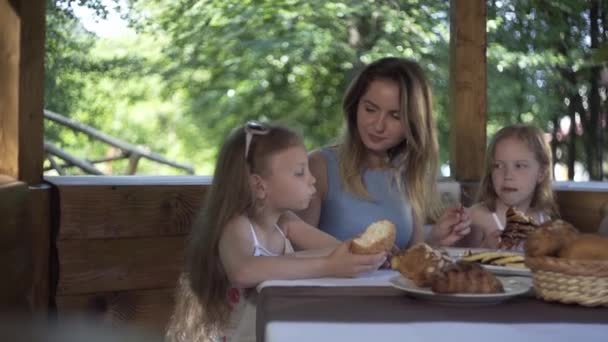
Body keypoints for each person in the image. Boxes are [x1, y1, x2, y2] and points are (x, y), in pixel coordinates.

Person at [165, 121, 387, 342]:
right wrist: (329, 265)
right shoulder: (237, 226)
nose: (312, 179)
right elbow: (243, 271)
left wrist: (364, 250)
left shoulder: (285, 222)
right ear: (260, 186)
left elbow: (334, 249)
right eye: (300, 172)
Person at [296, 57, 471, 249]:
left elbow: (408, 261)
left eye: (395, 116)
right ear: (354, 107)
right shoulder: (318, 166)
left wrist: (435, 240)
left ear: (413, 123)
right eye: (370, 109)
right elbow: (294, 255)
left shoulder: (408, 175)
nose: (378, 126)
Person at [459, 124, 558, 248]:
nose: (507, 175)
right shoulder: (476, 217)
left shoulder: (544, 220)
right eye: (498, 166)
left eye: (519, 166)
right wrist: (484, 249)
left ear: (541, 173)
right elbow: (459, 262)